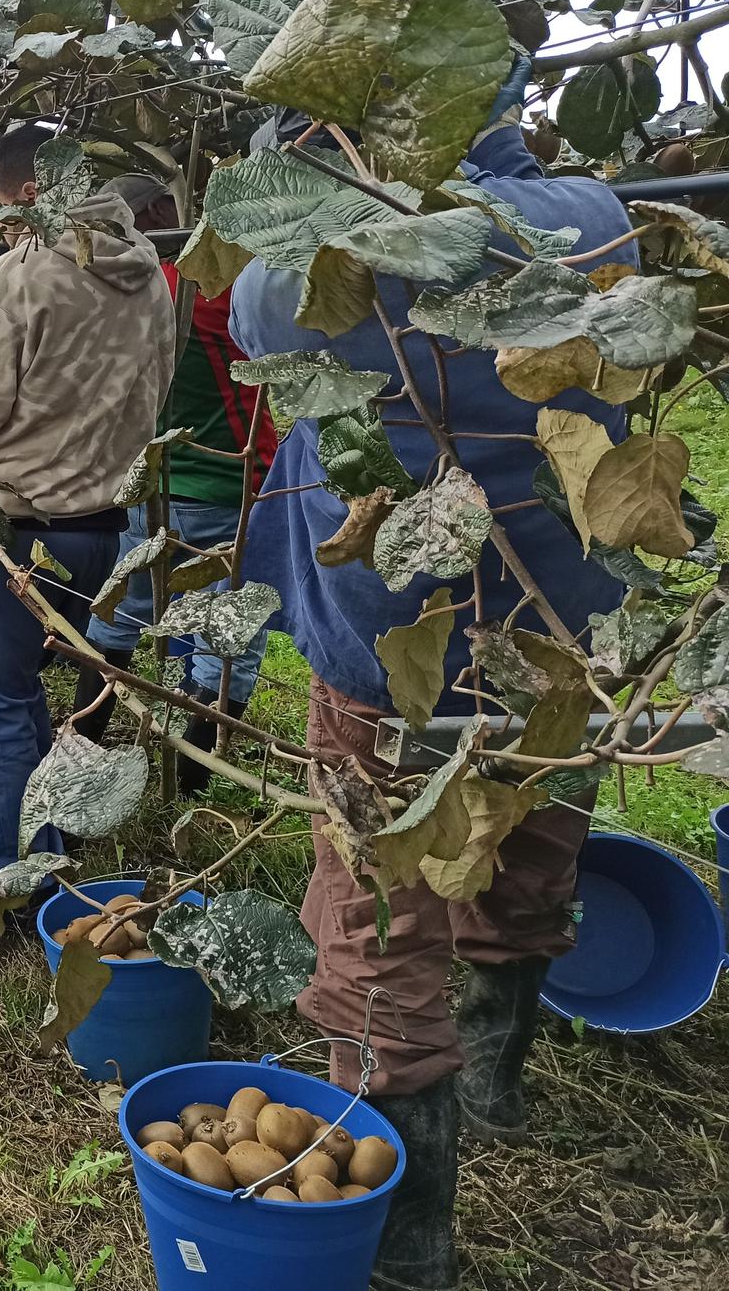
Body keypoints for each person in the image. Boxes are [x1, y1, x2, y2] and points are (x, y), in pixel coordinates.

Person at [228, 80, 636, 1291]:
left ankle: (406, 1234)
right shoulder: (595, 214)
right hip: (565, 638)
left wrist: (303, 163)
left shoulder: (312, 264)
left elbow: (260, 311)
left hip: (392, 652)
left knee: (374, 914)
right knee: (528, 852)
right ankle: (497, 1075)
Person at [0, 124, 176, 874]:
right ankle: (50, 838)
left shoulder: (19, 276)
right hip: (100, 530)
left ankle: (17, 868)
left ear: (33, 195)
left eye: (1, 208)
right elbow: (153, 391)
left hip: (10, 529)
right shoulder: (150, 274)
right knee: (23, 689)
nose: (0, 227)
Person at [73, 175, 277, 792]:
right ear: (162, 212)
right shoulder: (214, 288)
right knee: (224, 644)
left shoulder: (107, 291)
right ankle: (188, 784)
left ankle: (79, 746)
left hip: (144, 480)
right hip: (226, 484)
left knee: (115, 623)